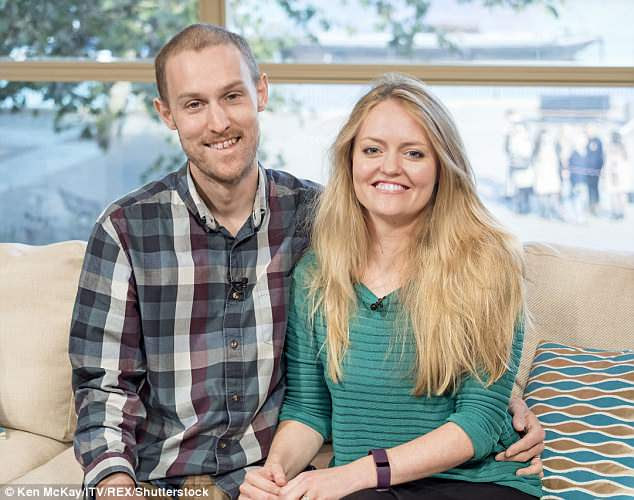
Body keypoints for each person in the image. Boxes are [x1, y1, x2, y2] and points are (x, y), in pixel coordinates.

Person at [69, 25, 544, 500]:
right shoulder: (129, 229)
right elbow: (103, 384)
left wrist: (500, 400)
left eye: (232, 95)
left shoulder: (316, 219)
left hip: (314, 475)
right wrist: (115, 484)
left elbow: (468, 385)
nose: (217, 122)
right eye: (194, 104)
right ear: (167, 113)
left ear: (261, 92)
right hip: (170, 477)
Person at [240, 74, 543, 500]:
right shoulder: (317, 274)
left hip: (473, 485)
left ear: (442, 165)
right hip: (365, 490)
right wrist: (276, 472)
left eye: (414, 153)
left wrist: (356, 474)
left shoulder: (487, 265)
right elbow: (310, 411)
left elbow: (478, 421)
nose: (389, 167)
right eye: (372, 150)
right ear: (350, 161)